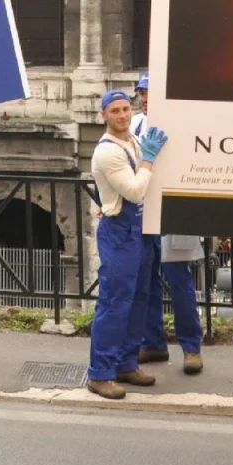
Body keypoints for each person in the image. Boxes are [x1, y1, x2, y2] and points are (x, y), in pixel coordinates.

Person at [87, 87, 166, 399]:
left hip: (140, 229)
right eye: (115, 111)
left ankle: (126, 364)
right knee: (115, 304)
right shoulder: (107, 151)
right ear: (104, 115)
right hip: (120, 231)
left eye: (125, 109)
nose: (121, 115)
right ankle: (100, 373)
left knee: (139, 299)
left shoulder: (131, 138)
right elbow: (134, 191)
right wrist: (148, 160)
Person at [130, 74, 204, 376]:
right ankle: (154, 343)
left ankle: (191, 347)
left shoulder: (183, 122)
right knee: (145, 279)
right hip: (144, 210)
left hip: (175, 210)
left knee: (179, 281)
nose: (145, 98)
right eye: (142, 93)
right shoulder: (135, 124)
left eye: (150, 92)